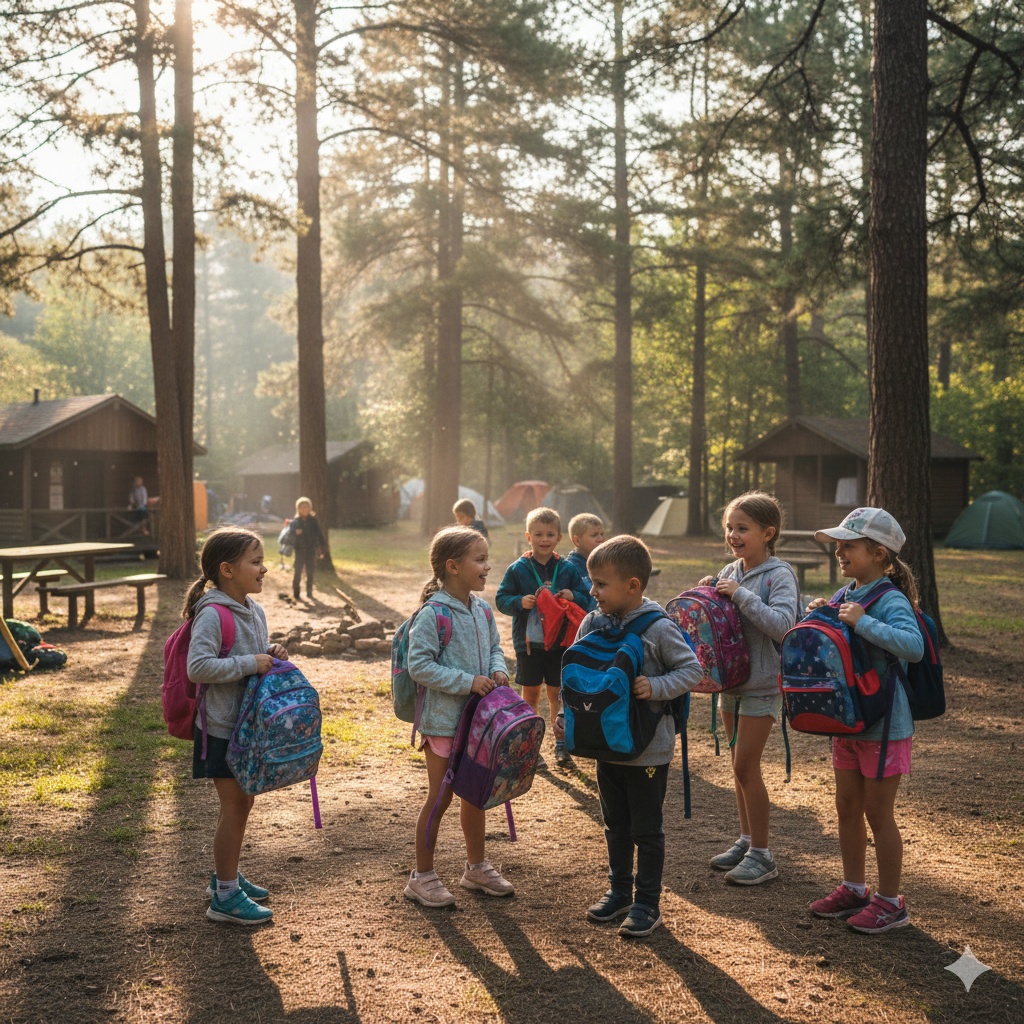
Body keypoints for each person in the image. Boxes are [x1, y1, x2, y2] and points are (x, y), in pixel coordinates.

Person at [556, 535, 702, 938]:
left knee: (646, 829)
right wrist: (566, 717)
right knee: (614, 824)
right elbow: (579, 677)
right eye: (592, 583)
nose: (592, 591)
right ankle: (619, 891)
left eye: (601, 584)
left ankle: (647, 903)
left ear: (633, 585)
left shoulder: (658, 628)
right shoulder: (591, 622)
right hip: (605, 746)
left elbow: (692, 671)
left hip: (647, 751)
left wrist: (654, 687)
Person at [808, 508, 924, 933]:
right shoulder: (846, 591)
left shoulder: (889, 598)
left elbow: (912, 647)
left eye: (848, 546)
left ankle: (891, 902)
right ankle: (854, 888)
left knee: (878, 813)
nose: (839, 552)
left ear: (878, 553)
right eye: (837, 545)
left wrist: (864, 621)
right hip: (850, 722)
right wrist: (824, 611)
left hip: (884, 725)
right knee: (846, 807)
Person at [183, 527, 289, 925]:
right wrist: (250, 663)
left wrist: (269, 652)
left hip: (246, 728)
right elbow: (198, 667)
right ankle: (225, 897)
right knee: (234, 806)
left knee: (243, 803)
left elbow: (252, 654)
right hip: (221, 729)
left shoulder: (253, 609)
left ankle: (224, 876)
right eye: (256, 562)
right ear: (227, 570)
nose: (265, 569)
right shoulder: (212, 613)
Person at [404, 526, 513, 908]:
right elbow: (418, 666)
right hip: (444, 725)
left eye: (487, 558)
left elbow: (496, 648)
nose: (487, 566)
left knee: (476, 797)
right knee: (440, 797)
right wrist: (468, 682)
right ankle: (422, 876)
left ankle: (476, 868)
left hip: (481, 726)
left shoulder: (482, 610)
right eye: (479, 559)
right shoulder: (432, 615)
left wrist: (498, 671)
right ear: (452, 566)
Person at [698, 491, 800, 886]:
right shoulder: (730, 569)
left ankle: (763, 854)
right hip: (731, 682)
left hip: (762, 684)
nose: (733, 535)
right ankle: (746, 841)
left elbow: (784, 627)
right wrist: (711, 591)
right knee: (739, 768)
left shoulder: (780, 574)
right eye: (729, 527)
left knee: (745, 764)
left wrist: (738, 595)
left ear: (768, 533)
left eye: (742, 528)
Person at [495, 507, 590, 765]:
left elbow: (586, 598)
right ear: (528, 536)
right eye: (538, 534)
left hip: (560, 644)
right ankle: (531, 748)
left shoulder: (567, 569)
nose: (544, 539)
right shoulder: (518, 569)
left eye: (550, 534)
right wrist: (519, 602)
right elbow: (501, 599)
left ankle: (562, 745)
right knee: (531, 696)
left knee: (558, 696)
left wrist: (574, 596)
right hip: (530, 645)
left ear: (560, 538)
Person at [285, 496, 326, 601]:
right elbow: (288, 535)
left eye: (306, 507)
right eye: (301, 507)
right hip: (299, 550)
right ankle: (296, 593)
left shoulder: (313, 521)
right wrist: (295, 532)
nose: (304, 510)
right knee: (297, 572)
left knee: (310, 572)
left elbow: (319, 533)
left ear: (310, 508)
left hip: (310, 550)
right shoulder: (295, 521)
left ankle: (309, 592)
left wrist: (322, 546)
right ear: (298, 509)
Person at [566, 512, 604, 611]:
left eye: (601, 534)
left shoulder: (602, 564)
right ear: (577, 541)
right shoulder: (569, 568)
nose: (600, 539)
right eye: (594, 535)